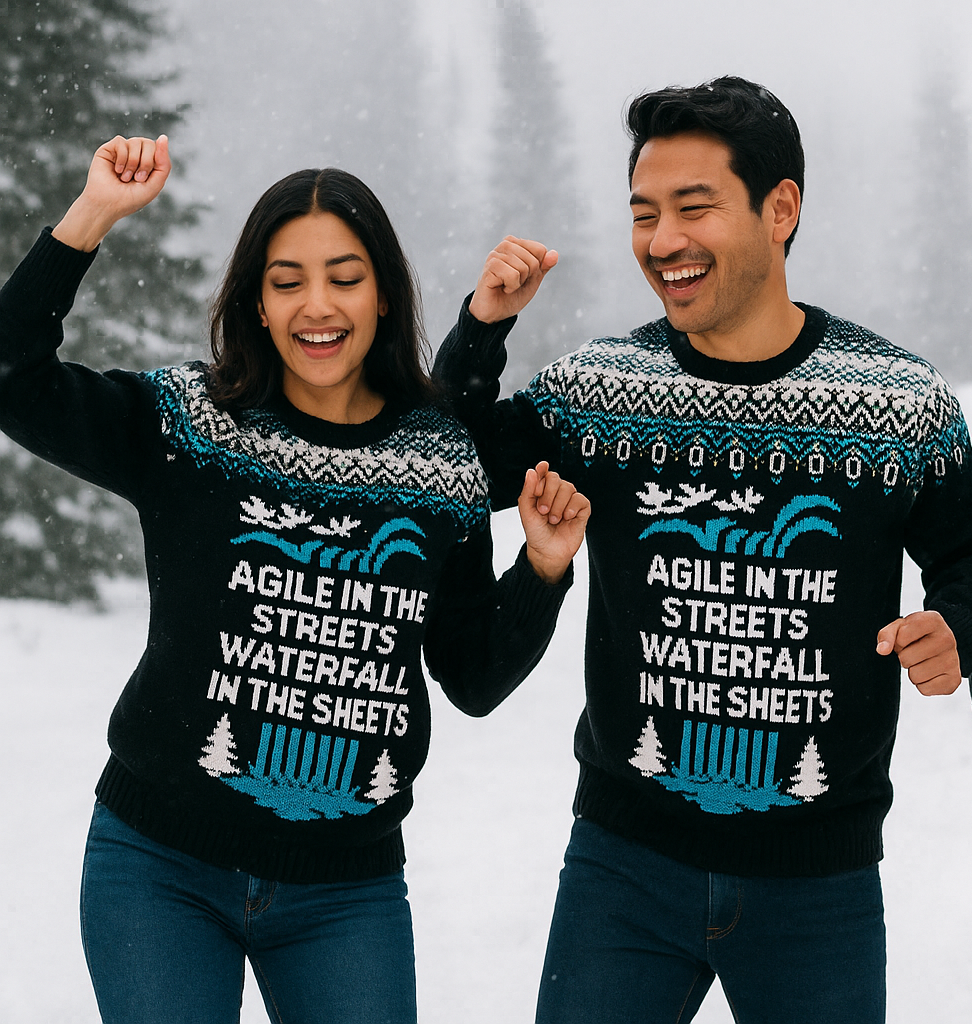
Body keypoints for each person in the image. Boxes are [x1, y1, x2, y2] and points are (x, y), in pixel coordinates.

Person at [433, 76, 972, 1023]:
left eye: (693, 207)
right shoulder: (601, 390)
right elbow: (439, 463)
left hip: (819, 882)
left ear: (780, 209)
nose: (662, 241)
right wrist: (482, 329)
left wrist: (960, 623)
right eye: (643, 214)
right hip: (623, 869)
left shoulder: (896, 398)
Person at [0, 135, 591, 1022]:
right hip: (159, 868)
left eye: (344, 277)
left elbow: (471, 675)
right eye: (287, 282)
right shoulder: (192, 426)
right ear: (258, 303)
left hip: (344, 895)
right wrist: (92, 215)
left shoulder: (438, 461)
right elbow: (13, 378)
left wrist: (541, 571)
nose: (318, 305)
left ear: (384, 293)